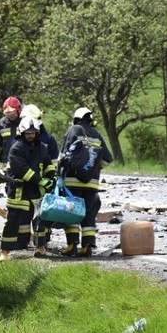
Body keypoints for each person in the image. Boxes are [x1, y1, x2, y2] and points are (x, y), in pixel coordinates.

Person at [57, 107, 113, 257]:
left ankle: (72, 245)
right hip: (91, 183)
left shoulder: (73, 130)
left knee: (72, 212)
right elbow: (107, 159)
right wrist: (92, 168)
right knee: (88, 214)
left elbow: (63, 155)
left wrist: (59, 175)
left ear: (76, 119)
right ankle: (87, 246)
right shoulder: (96, 134)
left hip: (72, 181)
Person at [0, 117, 56, 261]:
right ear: (22, 132)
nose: (31, 135)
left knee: (40, 220)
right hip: (19, 190)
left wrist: (51, 178)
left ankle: (41, 247)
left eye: (33, 132)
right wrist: (40, 180)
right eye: (28, 133)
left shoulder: (42, 147)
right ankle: (4, 252)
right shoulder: (16, 147)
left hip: (36, 191)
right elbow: (21, 169)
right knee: (13, 221)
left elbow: (48, 164)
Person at [0, 96, 22, 169]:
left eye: (12, 112)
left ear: (18, 110)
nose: (10, 115)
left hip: (22, 161)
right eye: (7, 113)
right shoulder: (1, 123)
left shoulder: (24, 123)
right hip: (5, 162)